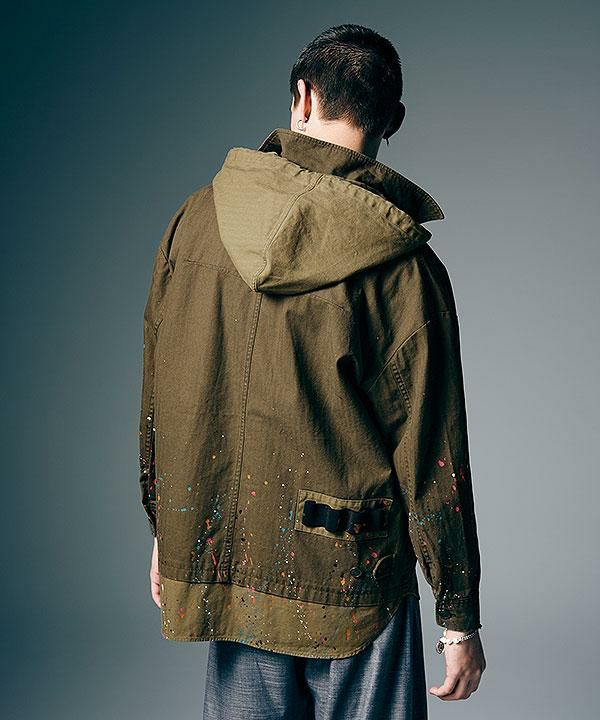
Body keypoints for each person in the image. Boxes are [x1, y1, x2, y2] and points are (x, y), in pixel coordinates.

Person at [139, 23, 486, 720]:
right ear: (392, 120)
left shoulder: (195, 222)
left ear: (302, 97)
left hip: (233, 563)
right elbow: (432, 451)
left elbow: (160, 392)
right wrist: (458, 616)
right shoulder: (404, 268)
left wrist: (167, 531)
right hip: (355, 577)